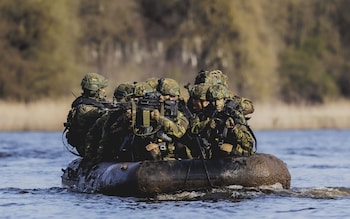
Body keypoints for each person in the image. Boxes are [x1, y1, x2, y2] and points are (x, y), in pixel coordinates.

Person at [191, 84, 256, 159]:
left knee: (224, 148)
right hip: (214, 151)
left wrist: (234, 128)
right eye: (213, 101)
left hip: (235, 151)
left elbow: (249, 144)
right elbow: (193, 129)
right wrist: (207, 124)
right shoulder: (208, 112)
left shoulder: (233, 114)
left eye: (219, 100)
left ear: (224, 99)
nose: (216, 104)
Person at [64, 72, 111, 157]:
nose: (104, 91)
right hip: (87, 147)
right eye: (102, 88)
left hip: (94, 145)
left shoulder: (99, 103)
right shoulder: (83, 107)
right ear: (95, 90)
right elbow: (97, 113)